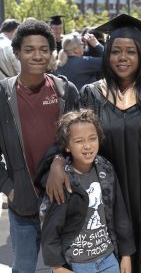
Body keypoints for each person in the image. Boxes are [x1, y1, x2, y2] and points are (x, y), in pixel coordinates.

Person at [40, 14, 141, 273]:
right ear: (106, 55)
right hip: (104, 197)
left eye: (130, 52)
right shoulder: (91, 94)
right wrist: (57, 161)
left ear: (140, 56)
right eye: (116, 51)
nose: (123, 58)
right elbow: (67, 138)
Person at [0, 19, 78, 273]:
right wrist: (9, 187)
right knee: (23, 267)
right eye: (29, 49)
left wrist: (59, 161)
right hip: (23, 204)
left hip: (63, 201)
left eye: (43, 49)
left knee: (68, 266)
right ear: (17, 53)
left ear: (52, 51)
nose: (37, 55)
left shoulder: (65, 90)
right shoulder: (3, 94)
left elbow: (78, 141)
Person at [40, 109, 135, 273]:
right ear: (67, 146)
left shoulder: (106, 168)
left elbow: (120, 213)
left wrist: (126, 254)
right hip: (77, 264)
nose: (87, 146)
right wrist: (56, 266)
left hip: (108, 259)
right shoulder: (62, 180)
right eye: (79, 141)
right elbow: (50, 225)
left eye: (93, 138)